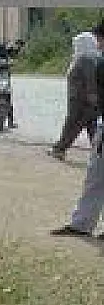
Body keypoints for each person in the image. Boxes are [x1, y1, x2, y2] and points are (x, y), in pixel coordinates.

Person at [49, 22, 104, 238]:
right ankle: (81, 224)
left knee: (96, 176)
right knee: (95, 176)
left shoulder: (96, 62)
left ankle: (82, 224)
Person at [48, 31, 100, 160]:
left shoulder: (85, 59)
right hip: (83, 99)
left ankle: (59, 149)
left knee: (73, 126)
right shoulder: (91, 58)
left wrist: (92, 95)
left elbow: (90, 80)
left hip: (81, 100)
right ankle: (99, 153)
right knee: (91, 127)